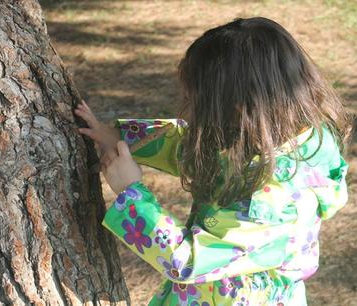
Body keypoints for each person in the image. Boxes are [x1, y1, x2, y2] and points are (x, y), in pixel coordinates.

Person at [74, 16, 352, 306]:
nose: (192, 111)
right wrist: (122, 138)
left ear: (237, 108)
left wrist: (132, 194)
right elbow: (196, 148)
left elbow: (188, 261)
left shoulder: (269, 205)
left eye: (199, 103)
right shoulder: (291, 139)